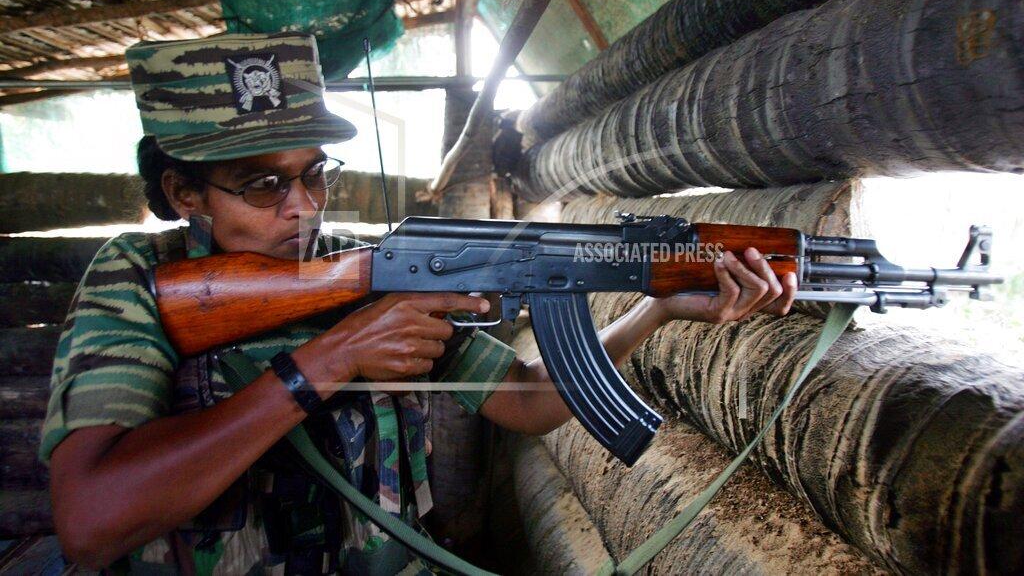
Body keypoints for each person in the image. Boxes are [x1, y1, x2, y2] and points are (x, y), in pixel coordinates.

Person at [40, 32, 797, 574]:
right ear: (183, 192)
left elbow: (530, 402)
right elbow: (90, 519)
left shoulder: (371, 268)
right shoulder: (141, 275)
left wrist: (658, 306)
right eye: (264, 184)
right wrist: (333, 357)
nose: (304, 206)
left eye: (316, 173)